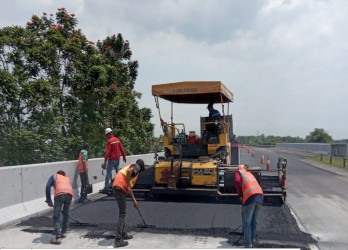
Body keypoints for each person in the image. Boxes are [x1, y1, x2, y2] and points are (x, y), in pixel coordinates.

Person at [112, 159, 145, 248]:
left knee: (123, 212)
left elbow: (129, 188)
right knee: (122, 213)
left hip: (118, 187)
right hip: (119, 188)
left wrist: (134, 200)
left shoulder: (128, 167)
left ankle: (122, 233)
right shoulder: (136, 166)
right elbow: (129, 177)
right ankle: (118, 240)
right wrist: (127, 184)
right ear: (141, 166)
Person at [234, 165, 263, 248]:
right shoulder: (249, 173)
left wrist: (240, 194)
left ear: (239, 168)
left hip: (250, 197)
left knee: (247, 221)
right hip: (260, 196)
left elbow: (237, 181)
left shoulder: (238, 172)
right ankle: (253, 240)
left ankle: (247, 244)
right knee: (254, 221)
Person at [45, 170, 73, 245]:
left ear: (58, 174)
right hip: (69, 195)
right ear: (64, 175)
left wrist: (49, 200)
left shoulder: (54, 176)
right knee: (66, 214)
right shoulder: (67, 178)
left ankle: (58, 237)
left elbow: (48, 187)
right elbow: (69, 188)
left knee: (56, 216)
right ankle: (64, 232)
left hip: (60, 195)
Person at [103, 128, 126, 193]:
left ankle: (106, 188)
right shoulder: (117, 140)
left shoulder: (109, 141)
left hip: (112, 160)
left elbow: (107, 152)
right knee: (118, 173)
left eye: (106, 135)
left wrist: (105, 162)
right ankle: (120, 185)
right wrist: (124, 156)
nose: (106, 136)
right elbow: (121, 148)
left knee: (108, 173)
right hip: (117, 159)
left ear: (108, 134)